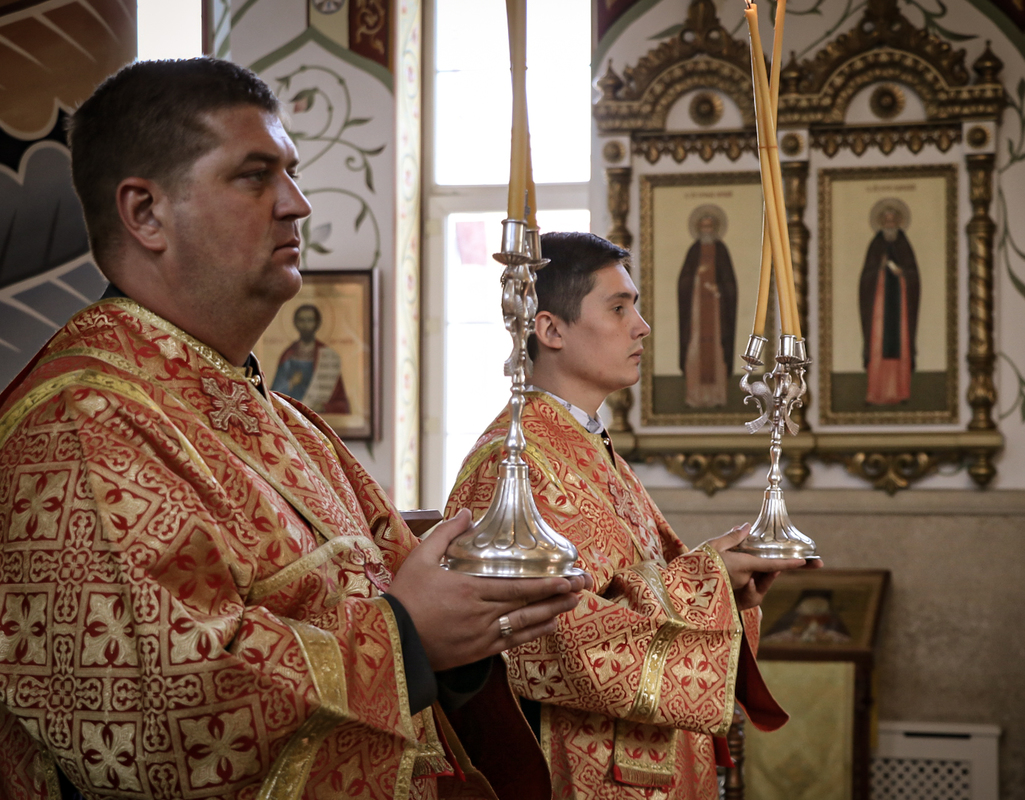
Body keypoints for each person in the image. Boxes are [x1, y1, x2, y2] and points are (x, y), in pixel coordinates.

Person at [0, 58, 588, 800]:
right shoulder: (81, 426)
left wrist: (471, 632)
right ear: (145, 213)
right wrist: (405, 643)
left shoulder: (291, 423)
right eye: (255, 176)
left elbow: (403, 597)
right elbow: (154, 722)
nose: (298, 204)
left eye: (293, 173)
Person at [445, 232, 821, 800]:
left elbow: (646, 578)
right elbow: (540, 640)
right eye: (619, 308)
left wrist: (727, 585)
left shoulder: (588, 446)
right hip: (577, 769)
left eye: (635, 307)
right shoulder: (511, 462)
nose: (641, 326)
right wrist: (707, 578)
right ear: (550, 330)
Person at [859, 197, 920, 405]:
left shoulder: (904, 244)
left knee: (901, 344)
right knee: (877, 344)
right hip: (879, 305)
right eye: (886, 220)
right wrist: (879, 269)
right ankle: (875, 393)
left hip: (900, 305)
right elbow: (866, 276)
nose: (889, 223)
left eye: (893, 220)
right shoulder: (876, 244)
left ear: (898, 222)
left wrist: (903, 274)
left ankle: (901, 393)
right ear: (881, 222)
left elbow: (913, 274)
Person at [677, 205, 737, 408]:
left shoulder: (722, 250)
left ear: (715, 228)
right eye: (703, 226)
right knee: (695, 347)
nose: (707, 230)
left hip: (717, 311)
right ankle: (695, 397)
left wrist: (719, 289)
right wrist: (697, 277)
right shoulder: (694, 251)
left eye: (710, 226)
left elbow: (730, 283)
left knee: (717, 349)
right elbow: (683, 281)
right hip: (696, 310)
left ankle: (717, 396)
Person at [271, 303, 351, 414]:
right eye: (301, 320)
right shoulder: (288, 355)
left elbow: (341, 403)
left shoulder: (328, 356)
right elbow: (274, 396)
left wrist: (324, 407)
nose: (305, 325)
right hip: (292, 415)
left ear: (317, 323)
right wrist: (291, 383)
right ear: (295, 323)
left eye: (310, 320)